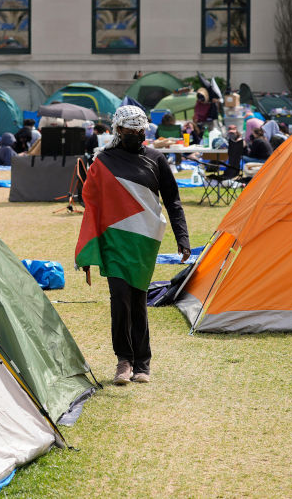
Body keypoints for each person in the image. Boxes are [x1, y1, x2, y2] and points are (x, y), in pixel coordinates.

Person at [75, 105, 190, 385]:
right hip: (115, 239)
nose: (135, 135)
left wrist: (182, 238)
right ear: (118, 131)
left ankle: (143, 364)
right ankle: (123, 361)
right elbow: (88, 201)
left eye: (139, 130)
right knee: (120, 299)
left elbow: (172, 201)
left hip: (144, 240)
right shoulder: (103, 161)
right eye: (129, 130)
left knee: (138, 300)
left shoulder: (156, 159)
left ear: (144, 131)